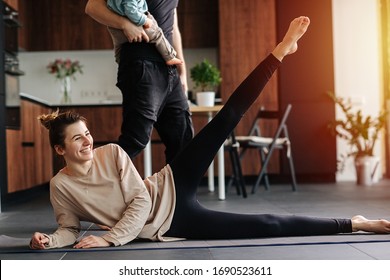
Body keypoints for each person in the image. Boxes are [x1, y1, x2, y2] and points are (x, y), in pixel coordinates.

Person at [30, 17, 390, 250]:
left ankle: (280, 52)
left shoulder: (112, 154)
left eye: (87, 133)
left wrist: (110, 239)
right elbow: (69, 227)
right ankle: (355, 222)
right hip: (175, 223)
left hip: (170, 184)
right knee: (267, 224)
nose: (89, 140)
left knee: (225, 118)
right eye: (78, 139)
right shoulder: (61, 187)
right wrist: (48, 241)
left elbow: (141, 201)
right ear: (60, 150)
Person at [85, 0, 193, 164]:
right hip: (141, 63)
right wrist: (124, 24)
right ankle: (90, 182)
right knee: (136, 139)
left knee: (183, 141)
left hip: (170, 69)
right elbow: (92, 7)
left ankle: (176, 190)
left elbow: (173, 27)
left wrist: (182, 72)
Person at [106, 0, 182, 65]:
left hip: (115, 28)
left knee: (118, 44)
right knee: (157, 35)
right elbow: (131, 10)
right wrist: (145, 20)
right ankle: (169, 56)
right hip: (136, 24)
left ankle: (119, 59)